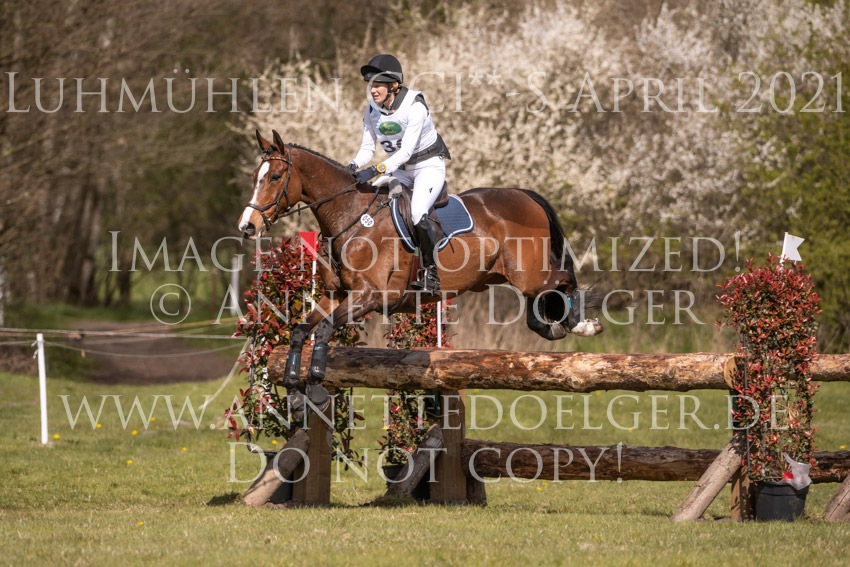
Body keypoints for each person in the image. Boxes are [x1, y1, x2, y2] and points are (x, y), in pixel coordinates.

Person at [348, 54, 451, 294]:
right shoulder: (371, 111)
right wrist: (352, 165)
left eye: (378, 85)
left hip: (427, 166)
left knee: (417, 212)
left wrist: (375, 170)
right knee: (371, 200)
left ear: (393, 85)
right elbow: (367, 149)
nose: (373, 90)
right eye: (371, 85)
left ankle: (432, 274)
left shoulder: (415, 106)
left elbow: (405, 152)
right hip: (401, 171)